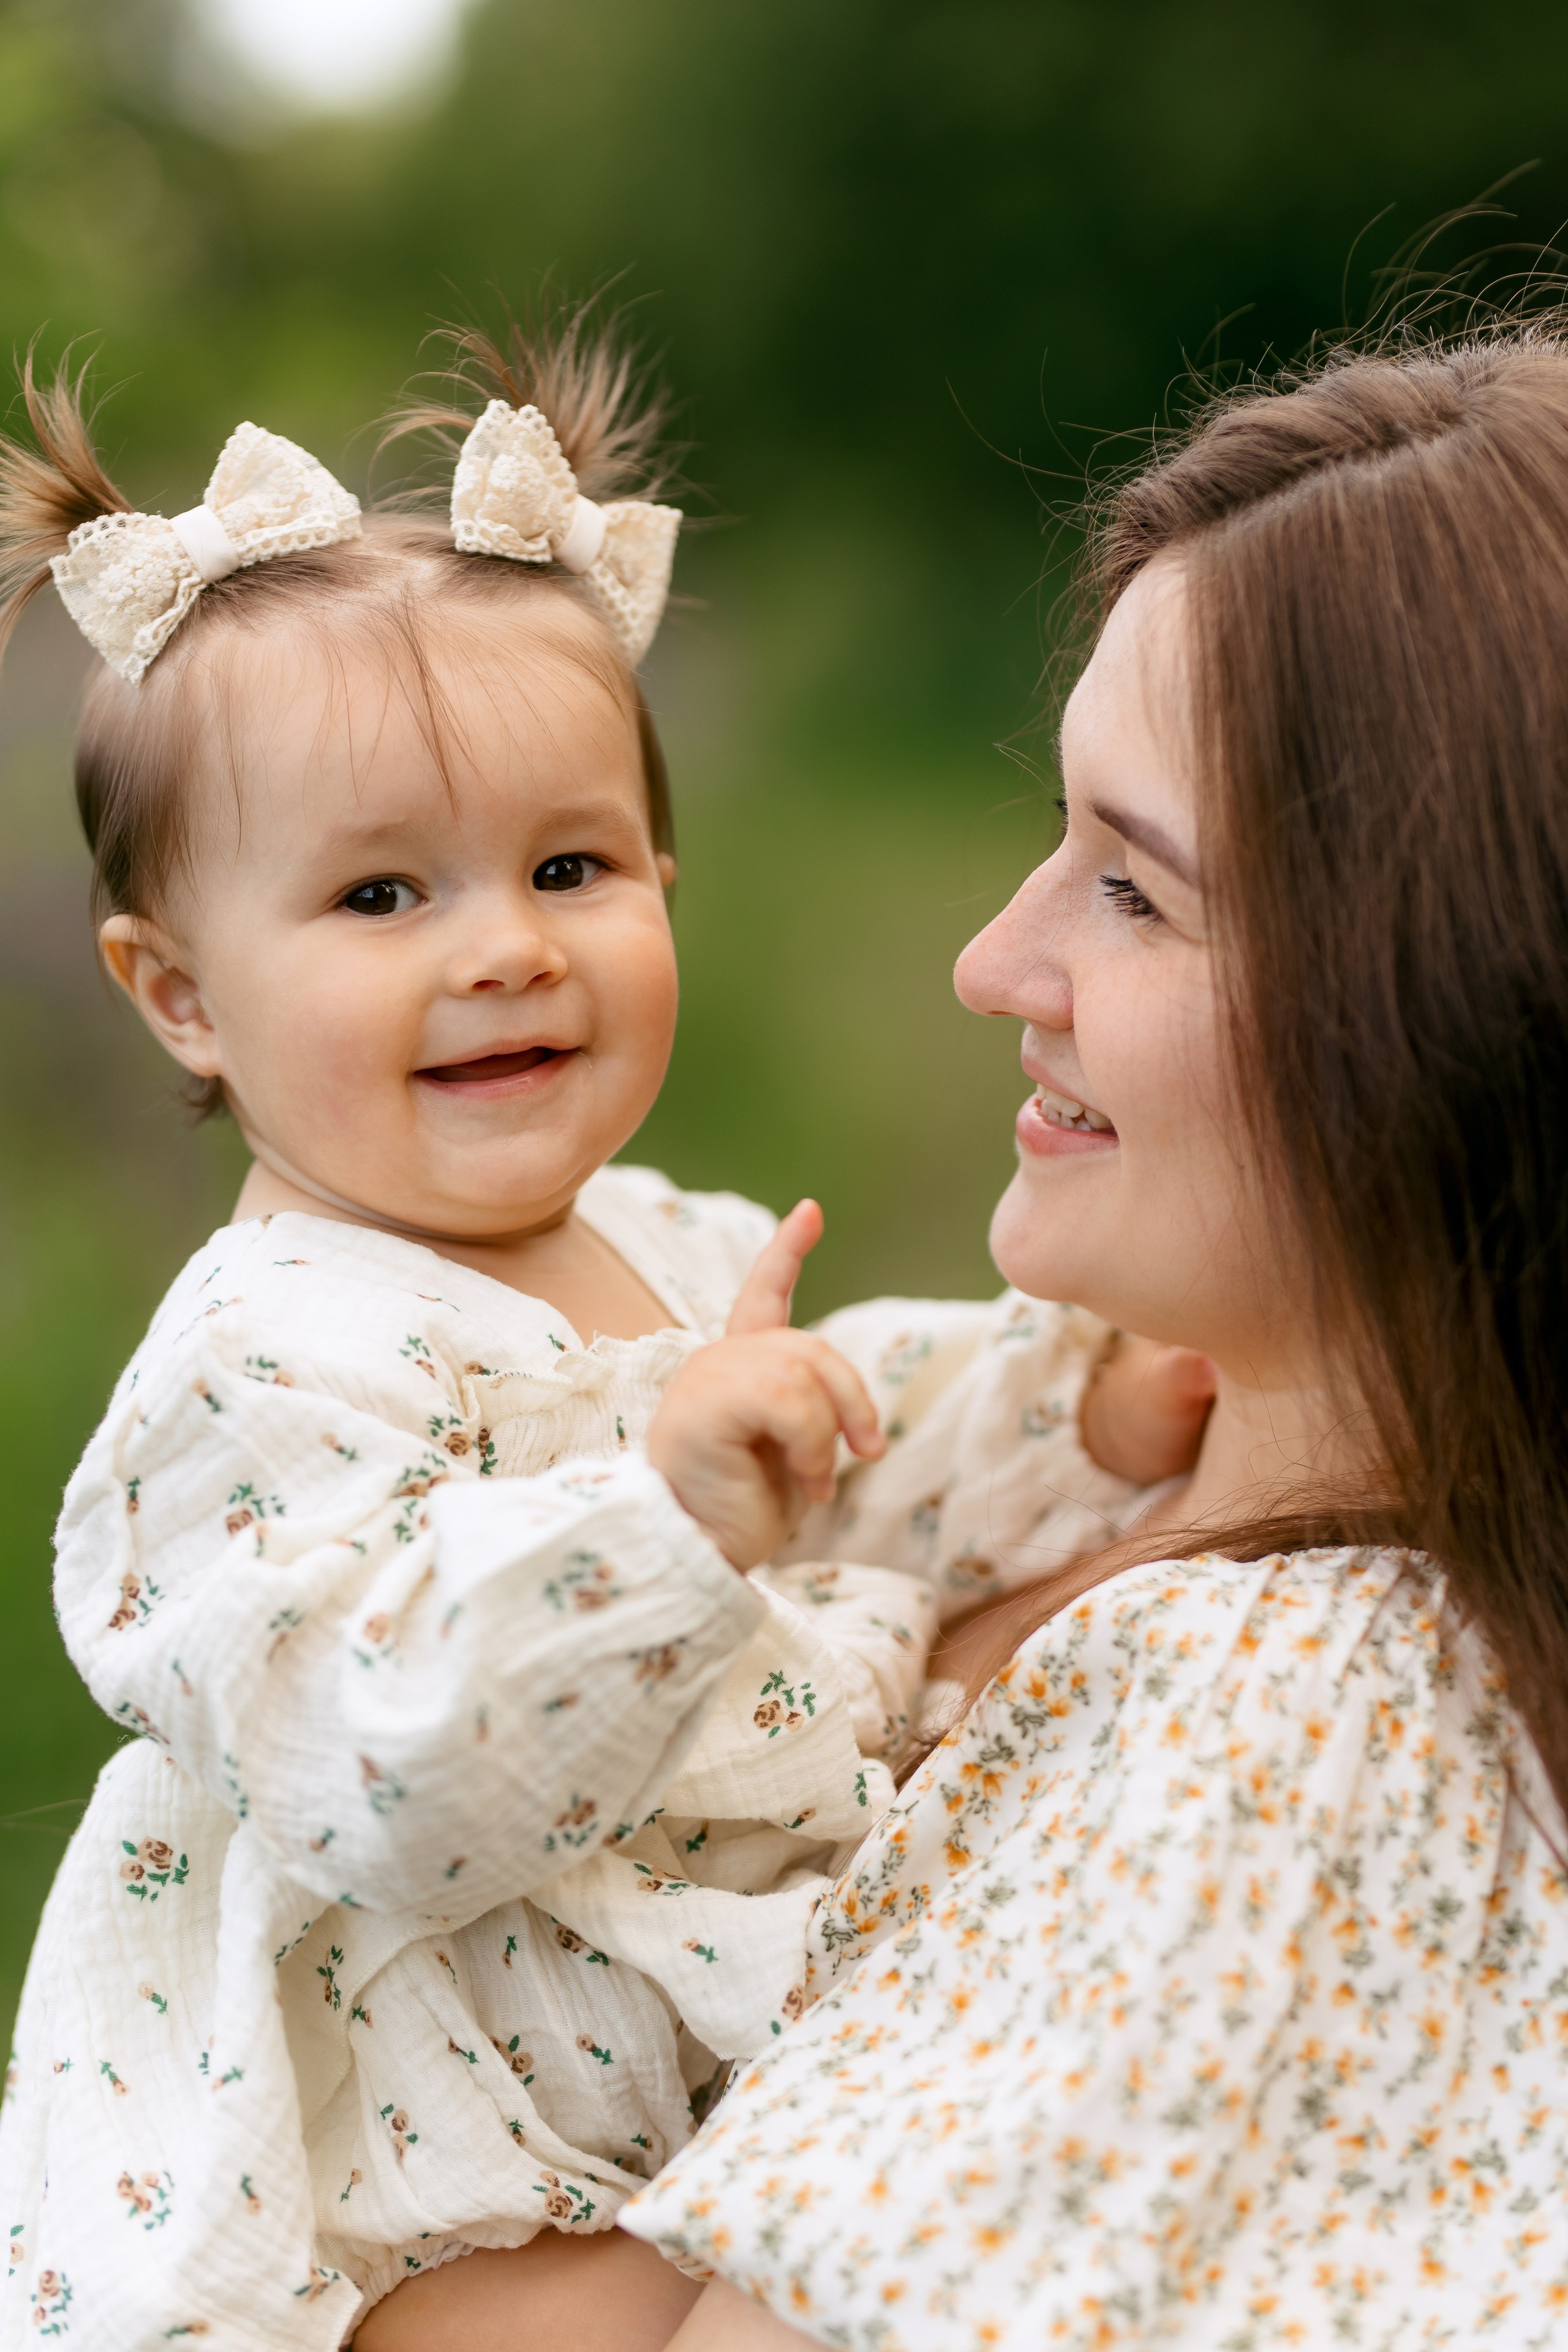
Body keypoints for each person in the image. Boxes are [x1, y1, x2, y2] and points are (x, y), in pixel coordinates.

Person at [0, 314, 1191, 2352]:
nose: (506, 948)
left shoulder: (654, 1233)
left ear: (663, 876)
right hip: (422, 2204)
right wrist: (656, 1519)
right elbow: (380, 1762)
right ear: (180, 994)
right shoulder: (249, 1375)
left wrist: (1081, 1396)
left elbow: (859, 1430)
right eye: (382, 899)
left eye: (570, 866)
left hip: (661, 2111)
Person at [616, 320, 1568, 2348]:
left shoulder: (1289, 1717)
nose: (993, 959)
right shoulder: (1039, 1446)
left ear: (1451, 1013)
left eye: (1135, 893)